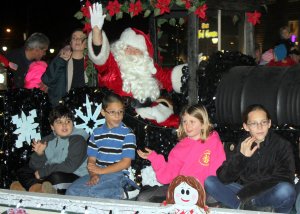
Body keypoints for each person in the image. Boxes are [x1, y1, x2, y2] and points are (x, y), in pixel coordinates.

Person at [204, 104, 296, 213]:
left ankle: (247, 206)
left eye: (263, 122)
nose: (260, 127)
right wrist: (242, 157)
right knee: (210, 181)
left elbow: (284, 177)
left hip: (266, 193)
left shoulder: (282, 145)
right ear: (246, 126)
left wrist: (247, 193)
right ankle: (251, 208)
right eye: (254, 123)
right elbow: (223, 177)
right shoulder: (243, 143)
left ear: (269, 123)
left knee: (286, 190)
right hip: (243, 193)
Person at [87, 3, 185, 104]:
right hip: (118, 116)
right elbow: (101, 56)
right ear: (120, 50)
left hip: (147, 115)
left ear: (144, 55)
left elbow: (170, 78)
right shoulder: (113, 68)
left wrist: (191, 67)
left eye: (137, 50)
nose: (132, 52)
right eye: (128, 48)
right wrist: (96, 31)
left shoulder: (149, 68)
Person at [136, 104, 226, 202]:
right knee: (143, 198)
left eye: (192, 122)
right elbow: (167, 176)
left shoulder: (213, 141)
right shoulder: (180, 148)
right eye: (185, 121)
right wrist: (154, 158)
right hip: (181, 190)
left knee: (213, 198)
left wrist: (200, 189)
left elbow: (217, 172)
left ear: (203, 123)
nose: (187, 126)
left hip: (204, 191)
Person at [66, 93, 137, 199]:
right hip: (99, 173)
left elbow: (125, 163)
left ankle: (123, 192)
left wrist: (100, 171)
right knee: (71, 192)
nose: (117, 116)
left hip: (118, 174)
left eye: (120, 112)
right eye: (112, 112)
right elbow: (91, 161)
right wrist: (93, 175)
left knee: (94, 193)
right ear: (103, 112)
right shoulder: (96, 133)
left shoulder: (128, 133)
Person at [10, 105, 89, 194]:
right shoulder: (47, 140)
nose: (64, 125)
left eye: (68, 121)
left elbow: (70, 166)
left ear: (72, 124)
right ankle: (38, 188)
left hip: (75, 176)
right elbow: (33, 166)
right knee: (23, 170)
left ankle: (30, 188)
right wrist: (40, 155)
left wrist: (44, 171)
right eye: (59, 122)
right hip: (50, 173)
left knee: (55, 177)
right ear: (52, 127)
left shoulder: (78, 140)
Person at [42, 29, 88, 107]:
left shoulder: (90, 64)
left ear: (86, 44)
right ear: (70, 43)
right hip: (62, 108)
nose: (77, 40)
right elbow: (47, 80)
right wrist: (61, 61)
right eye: (74, 38)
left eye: (81, 38)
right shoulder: (61, 59)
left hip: (85, 108)